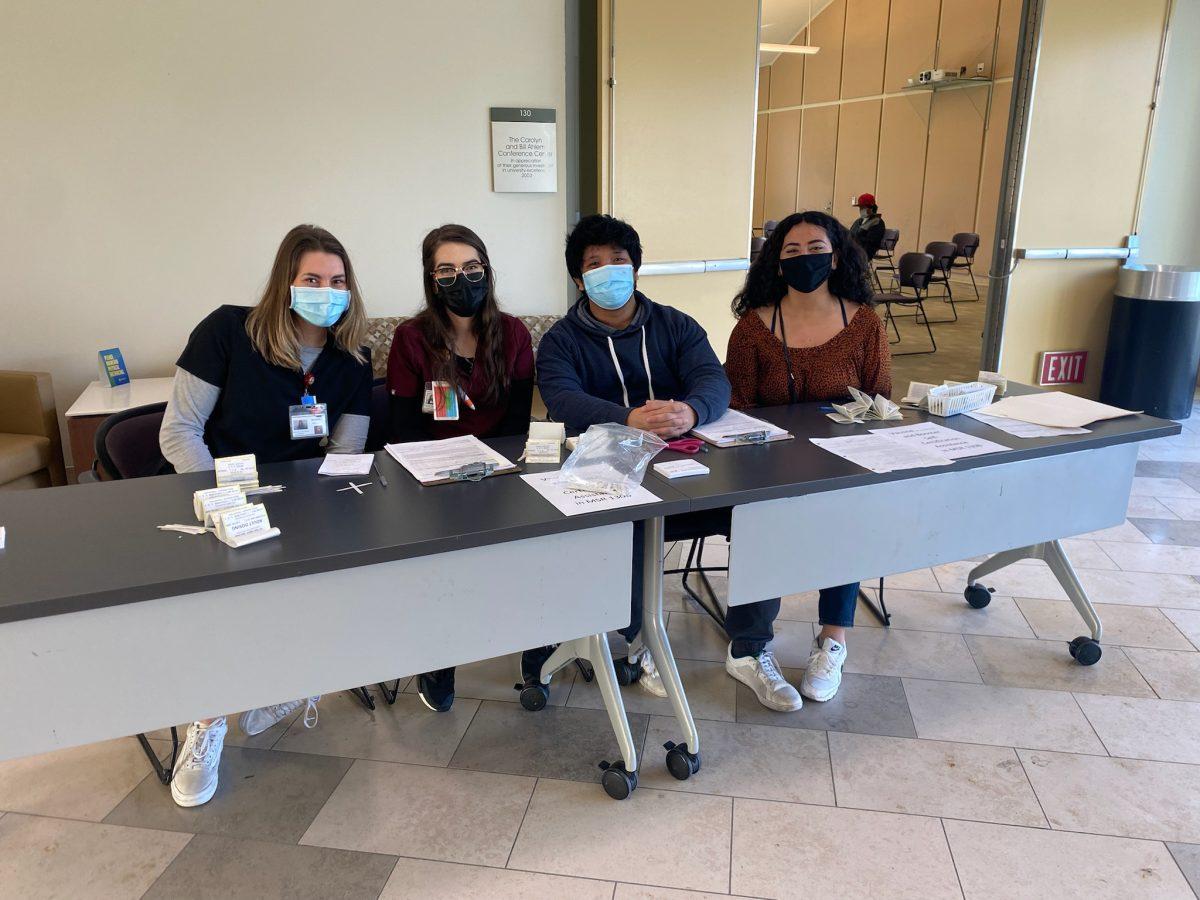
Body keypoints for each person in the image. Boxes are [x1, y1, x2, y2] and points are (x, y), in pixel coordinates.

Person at [159, 224, 373, 807]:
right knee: (222, 608)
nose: (325, 291)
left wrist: (322, 515)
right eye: (311, 279)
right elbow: (179, 432)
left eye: (337, 281)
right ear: (285, 282)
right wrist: (224, 506)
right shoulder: (227, 331)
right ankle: (205, 723)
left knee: (332, 582)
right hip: (219, 496)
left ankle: (280, 680)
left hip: (302, 503)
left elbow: (347, 453)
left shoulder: (352, 358)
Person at [536, 214, 732, 697]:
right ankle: (637, 636)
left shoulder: (675, 325)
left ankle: (751, 644)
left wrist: (690, 410)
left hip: (684, 464)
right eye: (594, 264)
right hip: (607, 472)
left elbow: (713, 379)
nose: (609, 271)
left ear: (636, 268)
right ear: (579, 280)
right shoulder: (561, 340)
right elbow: (562, 398)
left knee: (757, 510)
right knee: (633, 524)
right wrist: (628, 418)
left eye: (618, 260)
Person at [725, 210, 891, 707]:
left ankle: (833, 640)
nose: (805, 259)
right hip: (768, 467)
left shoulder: (864, 323)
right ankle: (749, 648)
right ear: (776, 265)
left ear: (836, 256)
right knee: (764, 527)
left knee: (849, 518)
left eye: (815, 249)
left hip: (841, 463)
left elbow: (879, 400)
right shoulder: (753, 327)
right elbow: (736, 407)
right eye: (791, 252)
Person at [389, 223, 535, 711]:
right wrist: (444, 476)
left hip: (501, 470)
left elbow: (517, 423)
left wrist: (493, 473)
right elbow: (401, 427)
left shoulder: (512, 333)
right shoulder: (411, 339)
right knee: (446, 561)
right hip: (435, 478)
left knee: (539, 542)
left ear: (487, 272)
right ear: (432, 280)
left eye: (472, 268)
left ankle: (539, 645)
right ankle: (440, 656)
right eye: (447, 270)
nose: (462, 279)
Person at [849, 193, 886, 262]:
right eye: (860, 208)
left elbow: (872, 241)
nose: (860, 210)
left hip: (865, 251)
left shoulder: (878, 222)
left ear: (871, 208)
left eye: (863, 208)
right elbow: (850, 234)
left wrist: (855, 241)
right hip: (854, 248)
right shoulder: (859, 221)